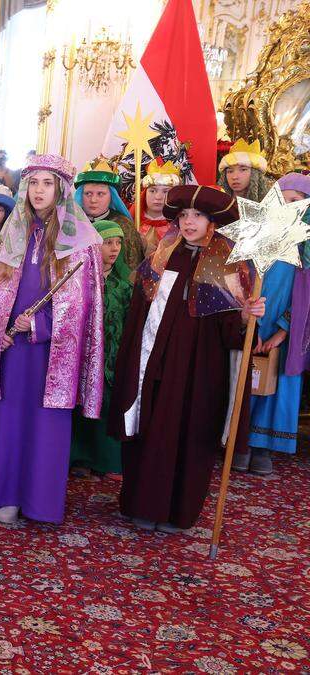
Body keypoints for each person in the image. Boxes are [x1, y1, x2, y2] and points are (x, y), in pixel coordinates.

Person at [110, 185, 264, 533]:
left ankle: (179, 511)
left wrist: (246, 315)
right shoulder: (162, 256)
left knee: (192, 432)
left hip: (201, 368)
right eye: (184, 215)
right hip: (156, 362)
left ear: (213, 221)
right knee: (149, 426)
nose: (190, 222)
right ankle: (141, 503)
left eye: (198, 215)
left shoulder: (229, 263)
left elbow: (232, 328)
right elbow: (139, 313)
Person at [0, 153, 104, 525]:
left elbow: (81, 305)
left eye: (47, 183)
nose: (39, 191)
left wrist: (39, 325)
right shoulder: (15, 231)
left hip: (51, 352)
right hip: (14, 350)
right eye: (34, 183)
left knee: (46, 423)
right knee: (8, 420)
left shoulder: (79, 239)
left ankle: (40, 501)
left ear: (60, 189)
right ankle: (6, 495)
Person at [239, 172, 310, 473]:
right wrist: (247, 323)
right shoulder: (254, 237)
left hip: (286, 328)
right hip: (251, 320)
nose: (290, 207)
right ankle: (240, 441)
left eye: (298, 202)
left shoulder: (306, 248)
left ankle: (263, 446)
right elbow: (238, 280)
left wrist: (284, 329)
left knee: (277, 382)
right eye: (284, 200)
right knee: (244, 379)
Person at [69, 220, 133, 477]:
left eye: (118, 243)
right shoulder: (80, 282)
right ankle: (81, 458)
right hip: (85, 355)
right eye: (108, 243)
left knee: (109, 405)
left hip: (113, 356)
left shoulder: (125, 286)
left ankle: (108, 461)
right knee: (82, 405)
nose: (114, 249)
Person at [75, 157, 144, 271]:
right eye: (88, 193)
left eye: (100, 194)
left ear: (111, 196)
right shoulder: (71, 224)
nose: (93, 200)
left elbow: (133, 268)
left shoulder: (123, 225)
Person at [131, 158, 182, 257]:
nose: (158, 197)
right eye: (153, 191)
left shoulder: (180, 227)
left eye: (165, 191)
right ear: (145, 193)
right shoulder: (131, 223)